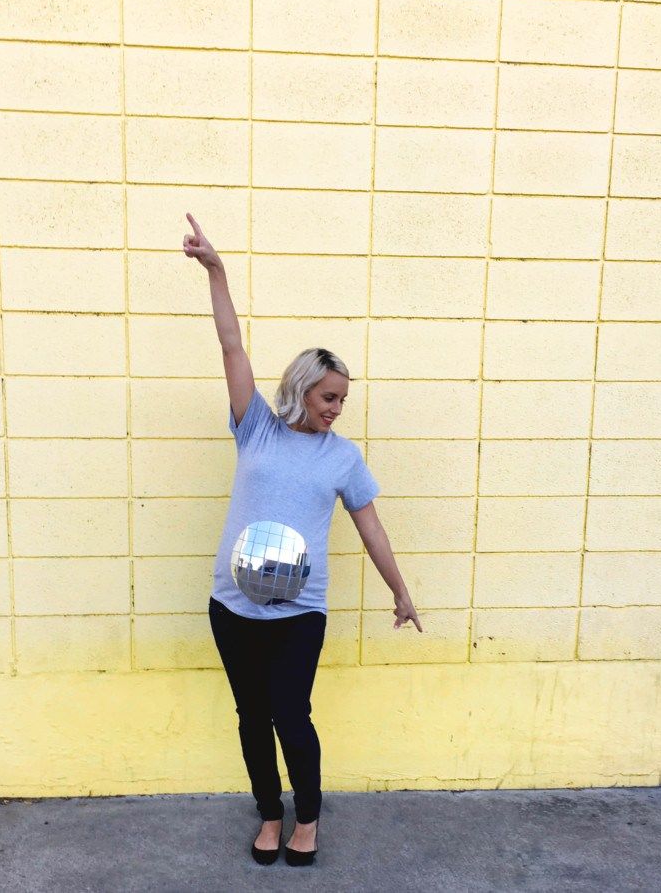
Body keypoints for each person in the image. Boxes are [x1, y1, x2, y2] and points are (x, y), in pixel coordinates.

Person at [182, 213, 423, 866]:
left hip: (298, 612)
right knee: (250, 717)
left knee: (292, 714)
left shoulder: (343, 457)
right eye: (328, 395)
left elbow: (370, 525)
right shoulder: (255, 426)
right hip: (232, 605)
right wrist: (218, 272)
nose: (336, 407)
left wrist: (400, 589)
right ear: (301, 388)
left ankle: (307, 818)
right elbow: (232, 347)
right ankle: (268, 813)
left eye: (343, 398)